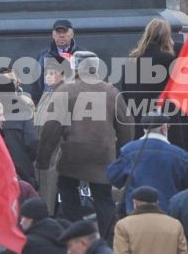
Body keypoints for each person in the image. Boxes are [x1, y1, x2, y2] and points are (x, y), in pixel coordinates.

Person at [37, 51, 135, 242]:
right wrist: (124, 154)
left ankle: (76, 234)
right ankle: (108, 239)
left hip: (72, 153)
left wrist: (43, 158)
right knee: (103, 197)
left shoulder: (65, 90)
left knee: (67, 189)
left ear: (75, 67)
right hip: (103, 154)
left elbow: (52, 127)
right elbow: (126, 125)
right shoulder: (111, 91)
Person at [105, 115, 188, 217]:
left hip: (135, 212)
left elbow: (113, 177)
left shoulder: (128, 150)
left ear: (144, 129)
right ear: (164, 129)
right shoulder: (181, 155)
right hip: (168, 213)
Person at [119, 17, 176, 126]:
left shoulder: (132, 58)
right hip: (159, 119)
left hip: (135, 117)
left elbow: (125, 91)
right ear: (166, 36)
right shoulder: (167, 59)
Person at [32, 55, 68, 215]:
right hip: (43, 147)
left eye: (53, 73)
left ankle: (49, 213)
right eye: (47, 73)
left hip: (56, 149)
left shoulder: (65, 94)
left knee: (51, 186)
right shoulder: (47, 95)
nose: (48, 76)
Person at [34, 17, 77, 101]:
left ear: (72, 34)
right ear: (53, 35)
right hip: (50, 105)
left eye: (64, 32)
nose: (61, 35)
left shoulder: (80, 55)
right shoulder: (44, 56)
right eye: (58, 32)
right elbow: (36, 84)